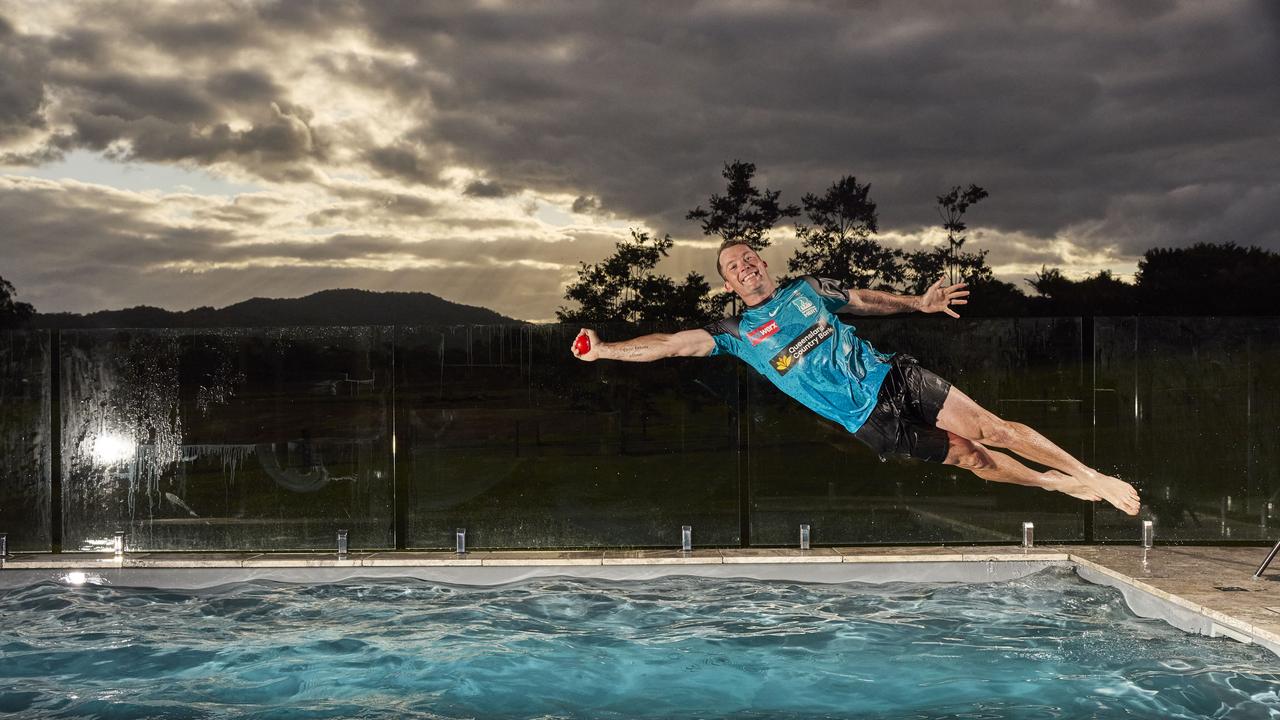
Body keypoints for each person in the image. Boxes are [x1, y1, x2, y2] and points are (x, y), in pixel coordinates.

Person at [571, 240, 1141, 516]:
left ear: (764, 264)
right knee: (972, 457)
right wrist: (605, 351)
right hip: (868, 420)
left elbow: (864, 300)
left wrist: (918, 303)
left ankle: (1092, 475)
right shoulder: (735, 332)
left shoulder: (807, 291)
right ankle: (1055, 484)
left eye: (749, 259)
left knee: (994, 430)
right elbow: (668, 345)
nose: (744, 267)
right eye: (732, 267)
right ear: (727, 285)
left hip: (894, 378)